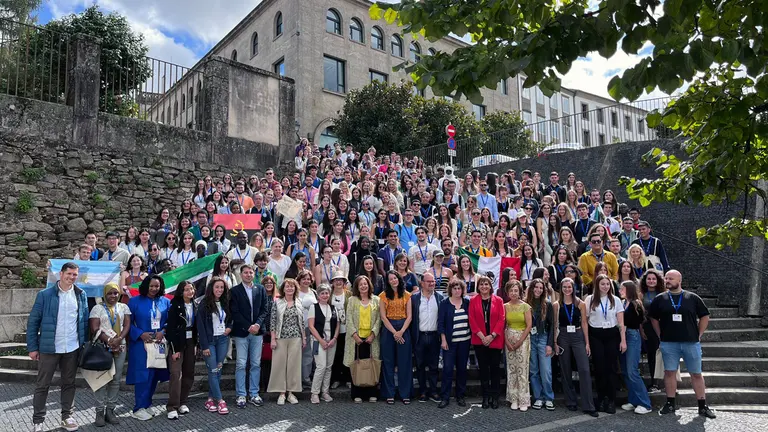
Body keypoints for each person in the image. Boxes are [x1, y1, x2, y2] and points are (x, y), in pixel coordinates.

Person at [27, 262, 88, 432]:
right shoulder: (44, 295)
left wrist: (83, 345)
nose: (72, 277)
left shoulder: (81, 294)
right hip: (49, 348)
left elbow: (84, 321)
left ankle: (67, 416)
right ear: (61, 274)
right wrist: (32, 347)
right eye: (69, 274)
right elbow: (33, 322)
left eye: (75, 274)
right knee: (42, 384)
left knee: (69, 383)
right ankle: (38, 420)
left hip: (72, 347)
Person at [649, 270, 716, 418]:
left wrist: (699, 334)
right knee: (669, 372)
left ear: (679, 280)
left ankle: (702, 406)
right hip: (669, 343)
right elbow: (653, 318)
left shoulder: (692, 298)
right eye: (666, 278)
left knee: (696, 374)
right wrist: (660, 334)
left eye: (671, 278)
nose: (667, 280)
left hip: (690, 343)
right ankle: (670, 403)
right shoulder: (660, 299)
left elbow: (705, 316)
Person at [127, 275, 171, 420]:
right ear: (146, 286)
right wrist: (140, 334)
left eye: (156, 286)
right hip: (141, 344)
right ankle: (138, 408)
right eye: (151, 286)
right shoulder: (134, 302)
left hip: (158, 343)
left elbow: (170, 321)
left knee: (154, 375)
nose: (154, 289)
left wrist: (163, 331)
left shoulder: (165, 302)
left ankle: (146, 404)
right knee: (143, 375)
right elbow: (127, 324)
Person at [553, 277, 597, 416]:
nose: (567, 289)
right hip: (563, 336)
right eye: (564, 287)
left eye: (569, 287)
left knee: (584, 369)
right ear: (561, 289)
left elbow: (584, 323)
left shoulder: (580, 304)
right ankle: (570, 401)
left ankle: (588, 405)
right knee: (565, 369)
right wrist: (555, 343)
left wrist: (587, 343)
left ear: (573, 288)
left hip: (578, 335)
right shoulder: (556, 305)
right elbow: (555, 325)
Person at [90, 282, 131, 427]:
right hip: (103, 347)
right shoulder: (97, 308)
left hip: (120, 346)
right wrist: (108, 340)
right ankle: (99, 412)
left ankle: (110, 410)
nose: (113, 296)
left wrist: (119, 339)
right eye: (110, 293)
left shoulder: (123, 307)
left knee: (116, 379)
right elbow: (94, 328)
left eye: (115, 293)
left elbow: (127, 325)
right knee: (102, 380)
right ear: (104, 294)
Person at [229, 265, 270, 408]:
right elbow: (234, 312)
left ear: (254, 274)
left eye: (250, 272)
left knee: (256, 364)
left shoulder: (261, 289)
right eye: (245, 272)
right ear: (241, 275)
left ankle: (254, 393)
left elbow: (265, 309)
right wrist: (248, 326)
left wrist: (257, 324)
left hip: (257, 332)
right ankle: (241, 394)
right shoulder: (234, 291)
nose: (248, 274)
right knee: (241, 364)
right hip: (241, 332)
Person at [585, 274, 626, 414]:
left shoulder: (615, 300)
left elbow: (621, 322)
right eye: (602, 284)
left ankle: (611, 399)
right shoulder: (590, 299)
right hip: (596, 335)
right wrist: (587, 342)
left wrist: (623, 340)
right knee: (599, 368)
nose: (605, 286)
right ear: (597, 285)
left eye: (607, 284)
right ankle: (601, 398)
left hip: (611, 335)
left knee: (611, 368)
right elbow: (585, 321)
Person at [469, 275, 505, 409]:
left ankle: (495, 397)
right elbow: (471, 319)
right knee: (483, 369)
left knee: (495, 369)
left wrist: (492, 335)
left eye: (486, 284)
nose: (484, 287)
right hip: (479, 340)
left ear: (490, 286)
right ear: (478, 287)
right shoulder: (473, 300)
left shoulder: (499, 300)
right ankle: (485, 396)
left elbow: (501, 319)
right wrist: (482, 336)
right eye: (481, 284)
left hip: (495, 339)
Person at [268, 278, 307, 405]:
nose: (290, 288)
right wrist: (273, 339)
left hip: (296, 337)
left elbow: (302, 322)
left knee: (293, 366)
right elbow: (273, 322)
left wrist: (304, 338)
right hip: (280, 337)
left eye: (292, 286)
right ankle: (281, 393)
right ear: (283, 289)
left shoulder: (299, 302)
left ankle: (291, 393)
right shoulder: (277, 302)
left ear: (295, 288)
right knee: (279, 365)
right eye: (287, 286)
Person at [197, 277, 233, 415]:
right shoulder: (204, 303)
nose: (219, 290)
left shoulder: (225, 302)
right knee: (213, 370)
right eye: (217, 287)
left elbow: (231, 318)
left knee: (218, 369)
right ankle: (220, 400)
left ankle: (210, 399)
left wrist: (229, 328)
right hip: (210, 341)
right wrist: (204, 346)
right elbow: (200, 326)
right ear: (211, 288)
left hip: (223, 339)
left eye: (222, 287)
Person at [344, 275, 382, 403]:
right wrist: (355, 335)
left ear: (369, 285)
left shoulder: (376, 300)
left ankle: (372, 393)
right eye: (360, 284)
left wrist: (373, 334)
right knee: (357, 366)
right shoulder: (352, 300)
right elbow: (348, 319)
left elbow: (379, 319)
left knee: (371, 365)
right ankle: (357, 394)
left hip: (371, 339)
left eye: (365, 284)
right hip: (356, 338)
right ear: (357, 287)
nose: (363, 286)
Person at [618, 281, 653, 414]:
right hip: (623, 335)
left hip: (632, 335)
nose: (620, 291)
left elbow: (636, 321)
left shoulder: (635, 304)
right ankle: (634, 400)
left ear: (629, 290)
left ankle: (645, 403)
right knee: (626, 371)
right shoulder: (623, 303)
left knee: (632, 370)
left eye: (623, 289)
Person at [379, 271, 414, 404]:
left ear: (399, 279)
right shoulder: (383, 296)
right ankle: (389, 393)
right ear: (387, 282)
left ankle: (405, 393)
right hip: (389, 329)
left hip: (404, 328)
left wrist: (401, 331)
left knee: (404, 362)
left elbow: (409, 316)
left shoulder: (407, 295)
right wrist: (395, 332)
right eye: (391, 279)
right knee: (388, 362)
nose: (393, 280)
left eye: (395, 278)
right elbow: (383, 317)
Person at [165, 281, 197, 420]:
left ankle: (183, 402)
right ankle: (172, 406)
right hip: (178, 342)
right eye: (186, 289)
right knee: (176, 373)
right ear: (181, 292)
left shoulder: (196, 304)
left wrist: (196, 344)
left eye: (191, 289)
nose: (190, 292)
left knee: (189, 372)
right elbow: (171, 329)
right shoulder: (175, 306)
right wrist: (174, 349)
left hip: (191, 341)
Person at [410, 272, 444, 403]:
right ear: (422, 283)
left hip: (434, 336)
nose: (432, 283)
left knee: (434, 366)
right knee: (420, 366)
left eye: (433, 281)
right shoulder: (414, 299)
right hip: (420, 336)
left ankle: (434, 391)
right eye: (429, 281)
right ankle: (423, 391)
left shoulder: (440, 298)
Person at [437, 278, 471, 408]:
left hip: (464, 342)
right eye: (454, 288)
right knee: (447, 369)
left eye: (459, 288)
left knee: (462, 369)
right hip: (450, 343)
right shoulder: (444, 303)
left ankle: (460, 396)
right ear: (450, 290)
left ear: (462, 290)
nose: (457, 291)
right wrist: (443, 340)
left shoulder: (467, 302)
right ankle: (445, 397)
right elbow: (441, 323)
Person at [526, 278, 555, 410]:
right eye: (536, 287)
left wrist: (550, 344)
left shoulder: (547, 304)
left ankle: (548, 397)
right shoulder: (526, 303)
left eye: (541, 288)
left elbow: (552, 325)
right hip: (530, 338)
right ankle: (538, 397)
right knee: (533, 370)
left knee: (546, 370)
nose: (538, 290)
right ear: (531, 289)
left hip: (543, 337)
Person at [308, 284, 340, 403]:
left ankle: (325, 392)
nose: (325, 295)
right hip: (317, 341)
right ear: (318, 295)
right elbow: (311, 326)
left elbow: (337, 325)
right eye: (322, 293)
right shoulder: (313, 307)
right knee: (320, 366)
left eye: (327, 293)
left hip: (331, 341)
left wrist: (334, 338)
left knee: (328, 367)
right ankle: (314, 393)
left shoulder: (333, 308)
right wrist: (321, 340)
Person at [503, 280, 532, 411]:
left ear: (520, 292)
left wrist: (520, 341)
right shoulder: (504, 306)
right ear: (507, 292)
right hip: (509, 338)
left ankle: (523, 399)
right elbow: (503, 325)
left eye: (516, 290)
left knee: (522, 369)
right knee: (512, 369)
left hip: (523, 338)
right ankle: (513, 398)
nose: (514, 293)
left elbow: (529, 325)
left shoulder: (526, 306)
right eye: (511, 291)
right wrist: (507, 341)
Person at [640, 269, 665, 392]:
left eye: (654, 279)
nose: (651, 281)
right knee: (652, 354)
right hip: (647, 327)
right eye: (649, 279)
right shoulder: (641, 294)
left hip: (662, 326)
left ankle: (662, 382)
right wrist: (641, 329)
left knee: (662, 354)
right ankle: (654, 382)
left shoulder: (663, 294)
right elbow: (639, 314)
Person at [329, 270, 352, 390]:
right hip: (333, 330)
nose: (338, 282)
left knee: (347, 353)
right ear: (332, 282)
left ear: (344, 282)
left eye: (341, 280)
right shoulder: (329, 295)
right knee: (335, 354)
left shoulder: (349, 294)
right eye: (336, 280)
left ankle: (348, 378)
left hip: (347, 329)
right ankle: (336, 379)